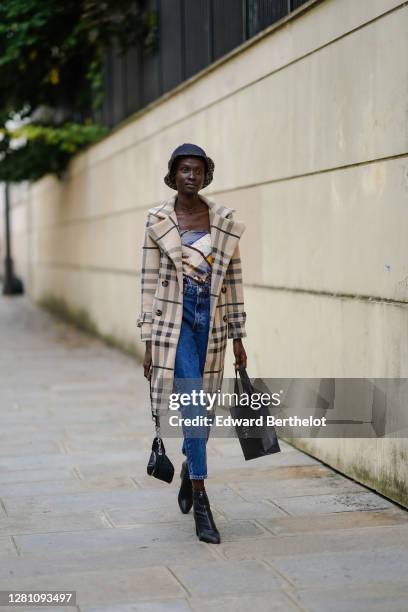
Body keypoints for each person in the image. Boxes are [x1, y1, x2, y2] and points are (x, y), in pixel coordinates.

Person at [137, 143, 247, 544]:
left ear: (205, 174)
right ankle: (202, 500)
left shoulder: (222, 220)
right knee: (194, 407)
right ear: (173, 174)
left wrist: (238, 335)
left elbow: (233, 280)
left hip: (212, 321)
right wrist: (148, 341)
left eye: (197, 169)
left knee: (204, 409)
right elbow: (149, 282)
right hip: (175, 321)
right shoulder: (157, 219)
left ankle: (189, 465)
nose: (190, 175)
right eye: (184, 169)